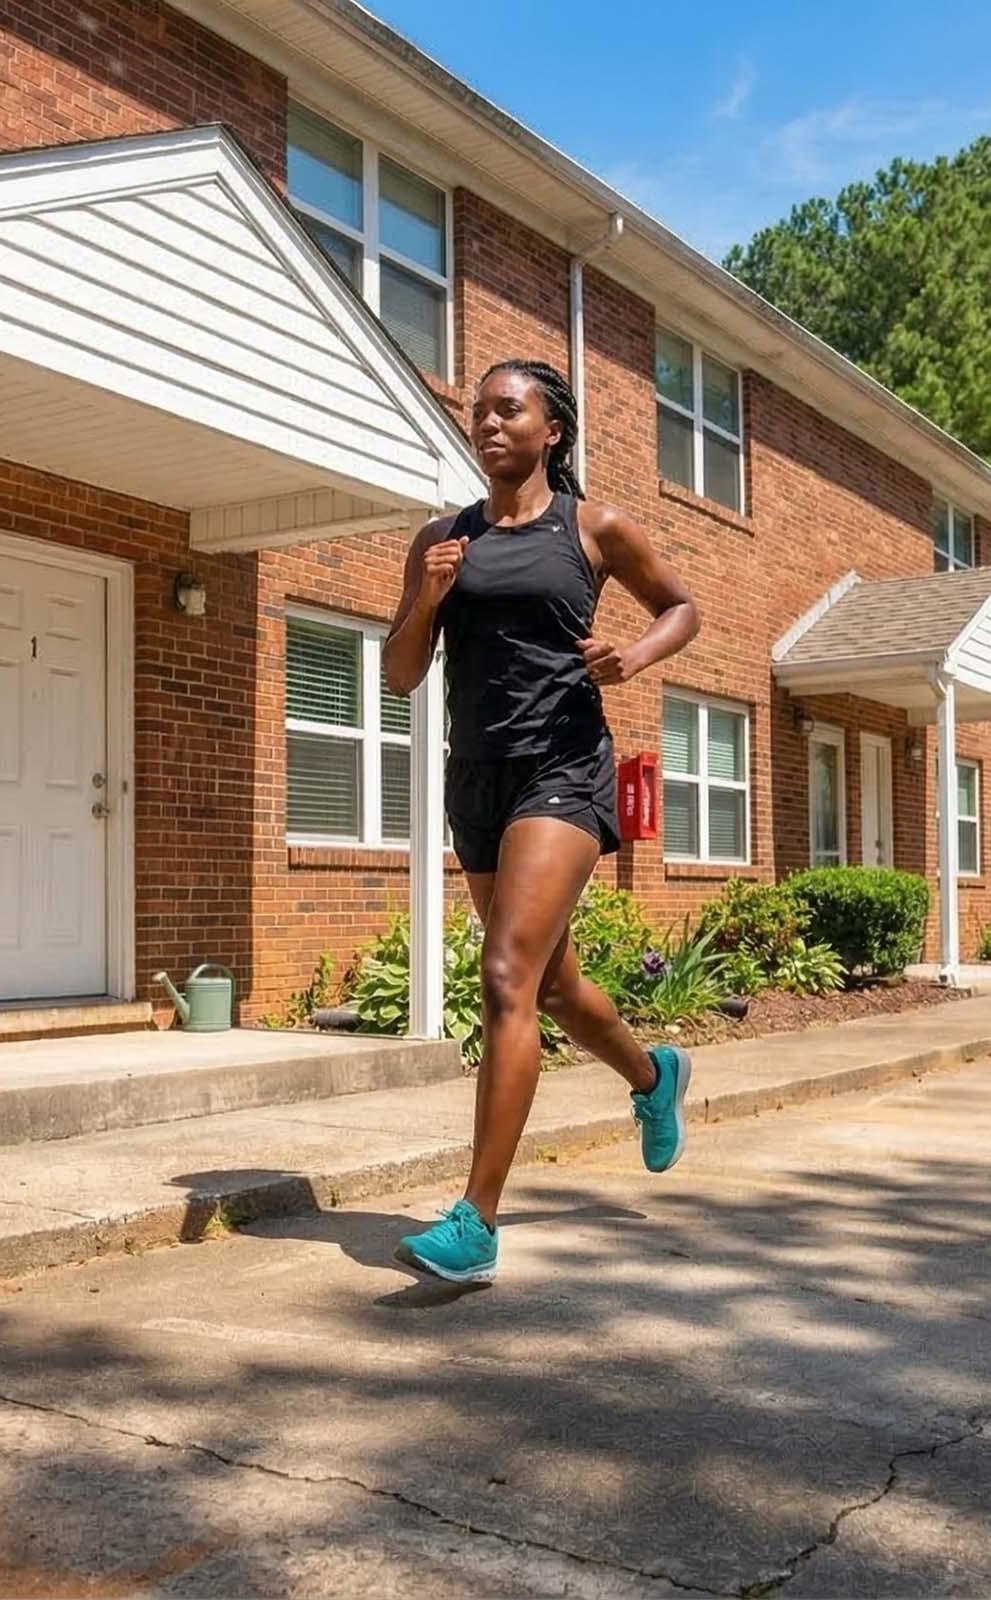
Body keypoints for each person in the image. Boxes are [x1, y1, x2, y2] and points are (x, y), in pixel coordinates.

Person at [381, 358, 702, 1285]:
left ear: (550, 430)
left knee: (505, 976)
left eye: (507, 409)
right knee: (552, 986)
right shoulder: (441, 539)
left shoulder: (591, 527)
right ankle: (653, 1076)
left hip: (561, 771)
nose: (486, 422)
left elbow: (682, 606)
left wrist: (632, 657)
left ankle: (476, 1222)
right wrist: (429, 597)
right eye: (477, 410)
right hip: (474, 777)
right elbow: (403, 673)